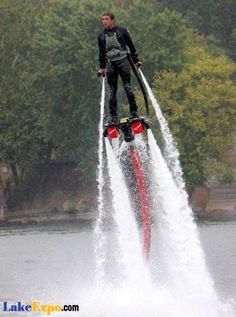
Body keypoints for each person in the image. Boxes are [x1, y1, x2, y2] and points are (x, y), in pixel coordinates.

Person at [97, 12, 142, 123]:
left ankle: (134, 112)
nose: (104, 21)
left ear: (112, 20)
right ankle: (113, 117)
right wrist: (101, 67)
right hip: (111, 63)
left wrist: (136, 61)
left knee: (127, 86)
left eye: (106, 19)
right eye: (103, 19)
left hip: (123, 61)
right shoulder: (101, 36)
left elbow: (131, 46)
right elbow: (101, 53)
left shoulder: (122, 31)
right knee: (112, 91)